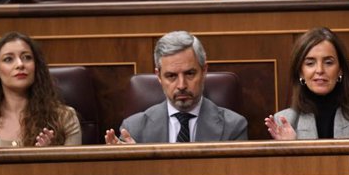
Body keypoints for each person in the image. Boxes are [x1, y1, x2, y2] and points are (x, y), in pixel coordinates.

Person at [105, 31, 247, 144]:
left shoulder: (233, 127)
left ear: (204, 71)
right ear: (159, 76)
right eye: (171, 76)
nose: (181, 85)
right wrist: (129, 165)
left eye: (190, 73)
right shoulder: (134, 129)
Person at [0, 32, 81, 148]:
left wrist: (49, 158)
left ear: (36, 67)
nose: (20, 64)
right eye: (8, 59)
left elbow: (74, 172)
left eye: (27, 57)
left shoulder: (65, 118)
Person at [265, 27, 349, 140]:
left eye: (328, 62)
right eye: (310, 63)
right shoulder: (285, 121)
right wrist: (291, 149)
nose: (320, 70)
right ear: (300, 72)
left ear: (340, 69)